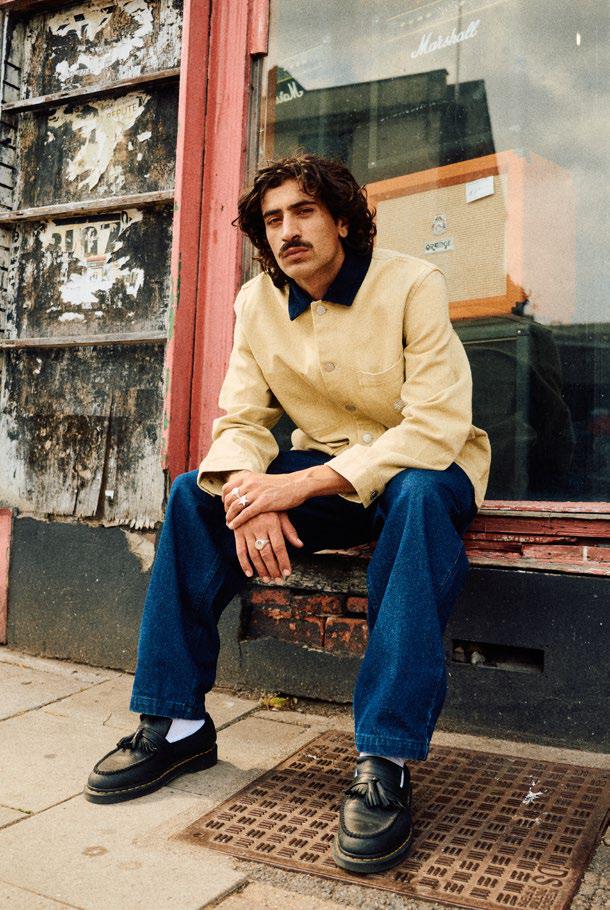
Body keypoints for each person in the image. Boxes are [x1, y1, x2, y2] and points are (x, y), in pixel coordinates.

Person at [85, 153, 491, 875]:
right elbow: (242, 421)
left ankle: (385, 758)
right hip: (325, 477)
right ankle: (175, 723)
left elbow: (435, 426)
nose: (287, 231)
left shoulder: (411, 284)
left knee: (420, 497)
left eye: (304, 212)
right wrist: (246, 495)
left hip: (422, 472)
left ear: (343, 220)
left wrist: (294, 488)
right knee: (193, 495)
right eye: (273, 220)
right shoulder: (256, 303)